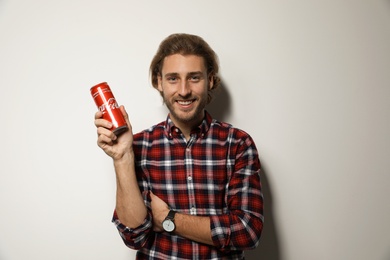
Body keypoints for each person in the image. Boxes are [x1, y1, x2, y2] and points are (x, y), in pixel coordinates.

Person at [94, 33, 263, 259]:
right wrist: (123, 157)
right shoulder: (140, 145)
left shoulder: (237, 143)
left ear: (210, 80)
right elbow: (134, 236)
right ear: (158, 82)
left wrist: (168, 218)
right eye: (173, 78)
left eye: (194, 78)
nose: (183, 90)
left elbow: (247, 231)